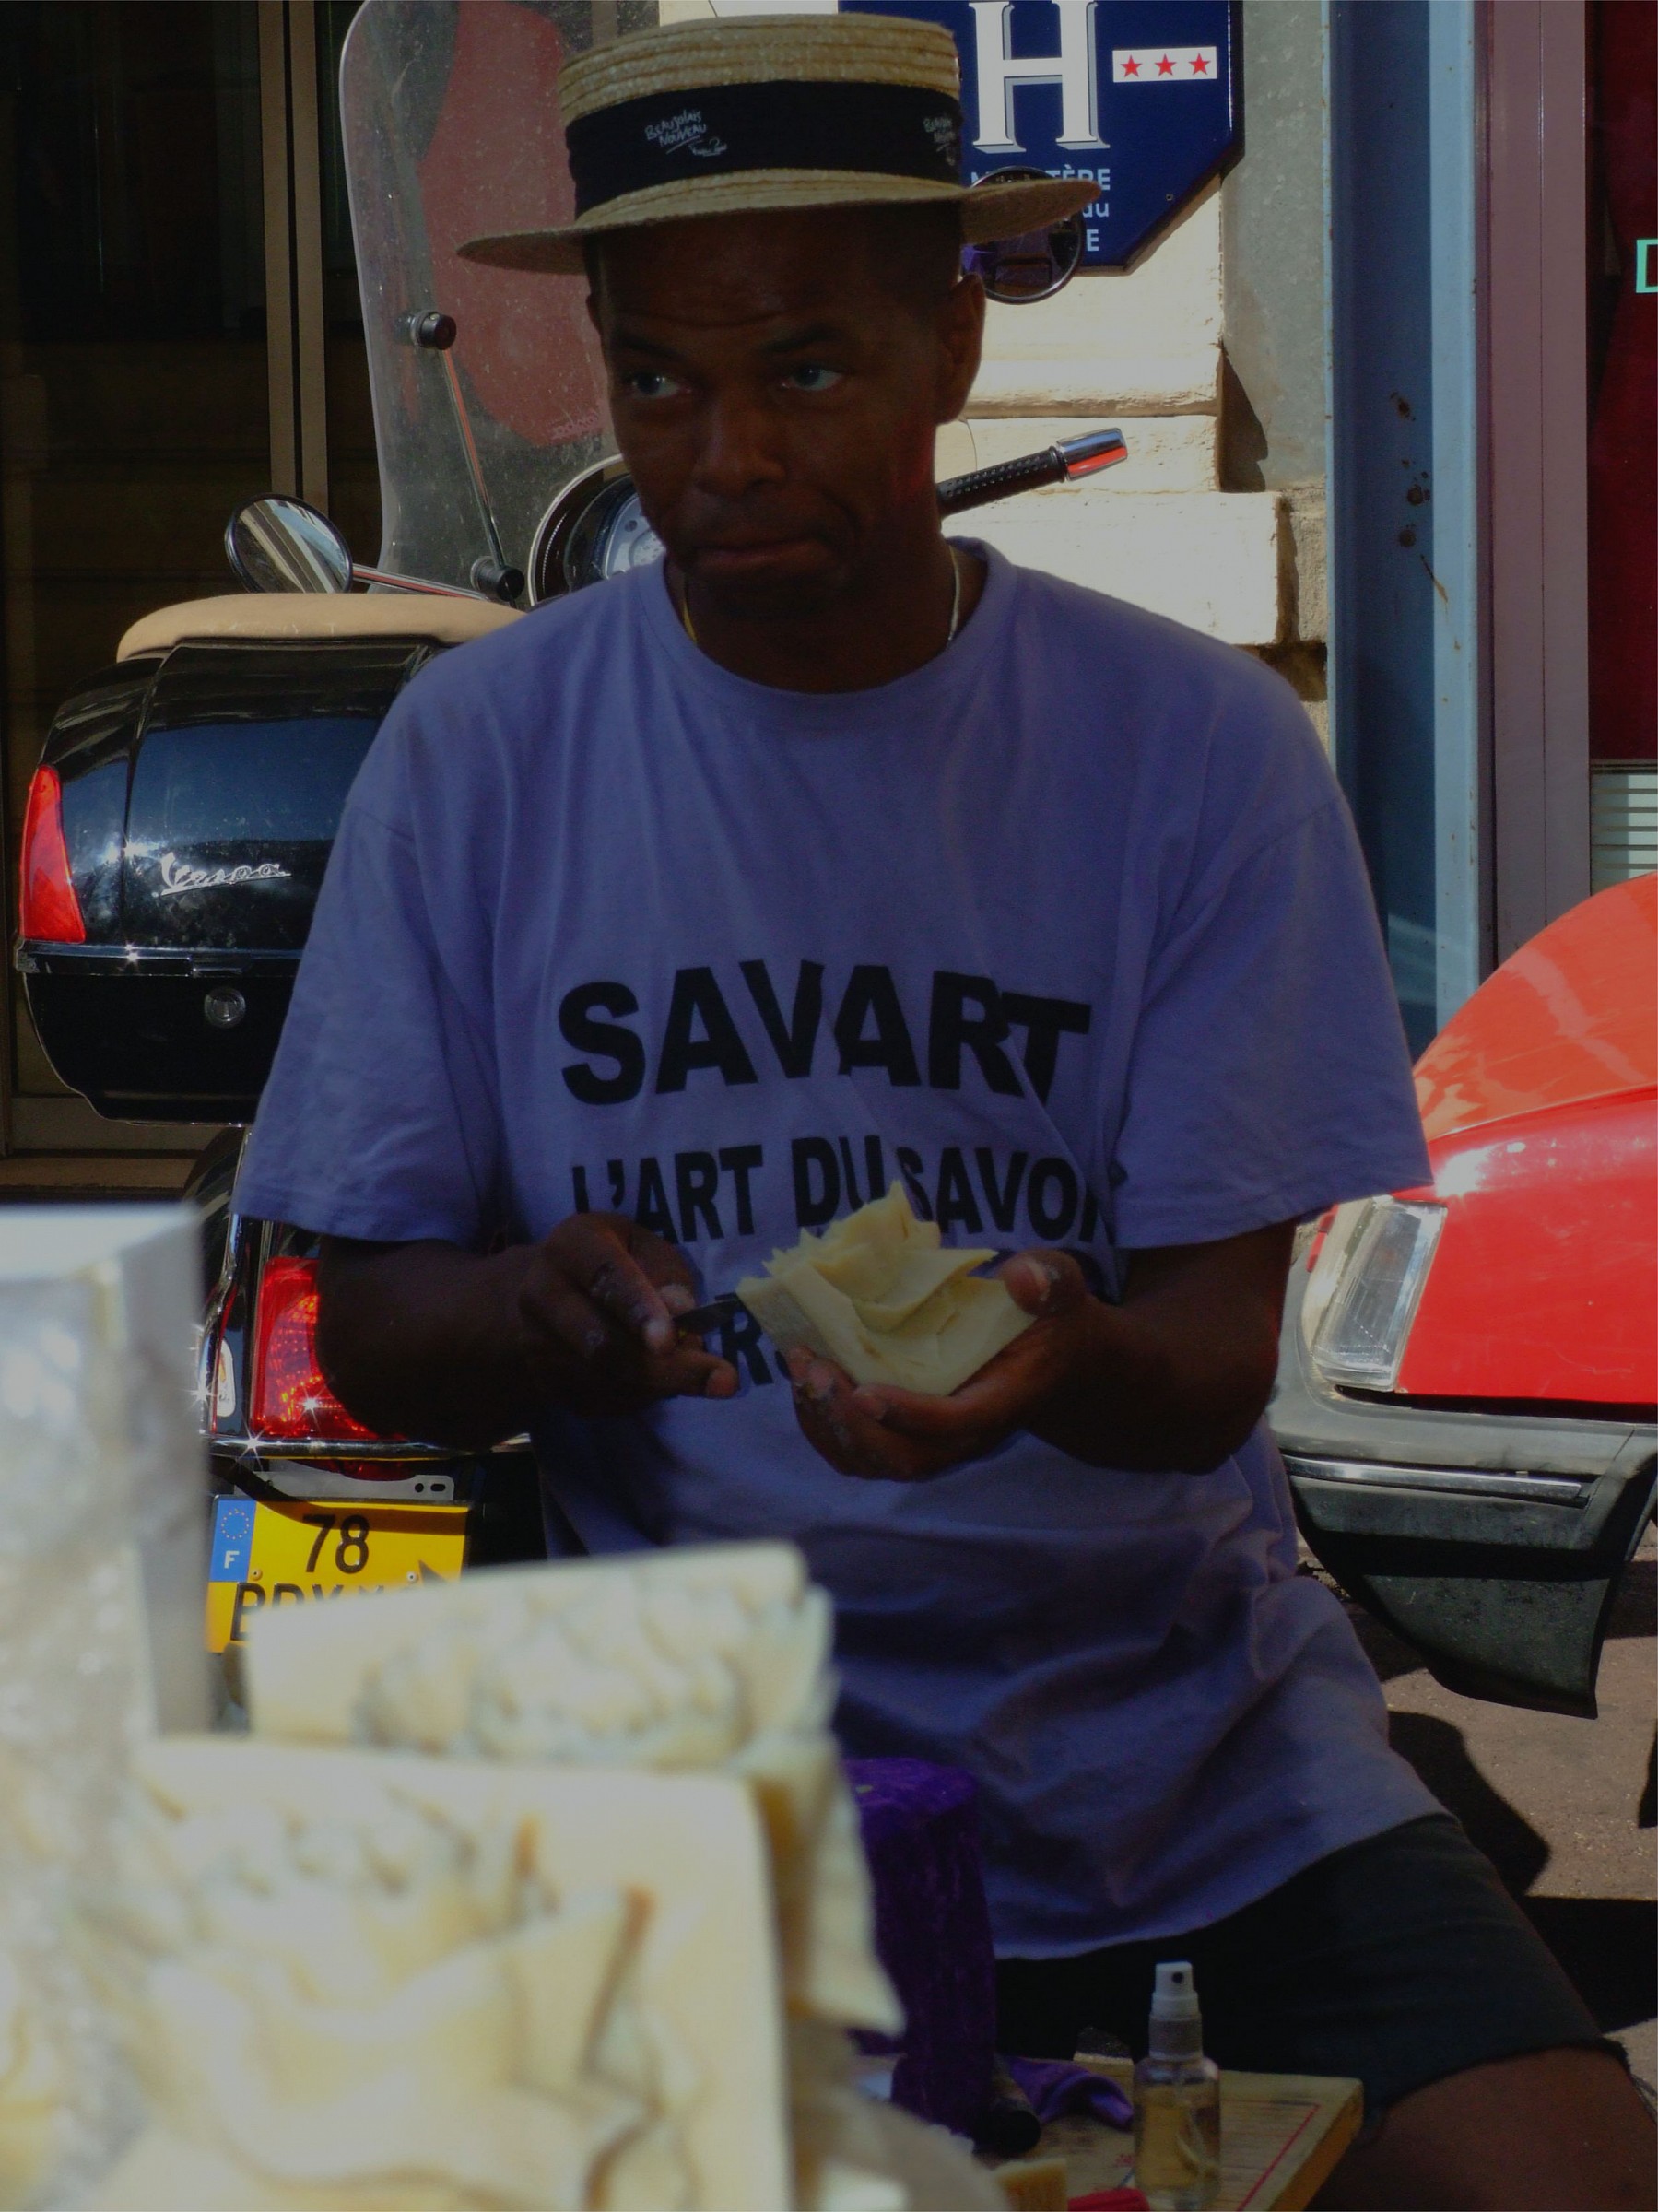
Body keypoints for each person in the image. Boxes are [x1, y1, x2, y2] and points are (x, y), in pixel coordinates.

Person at [235, 16, 1655, 2206]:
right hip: (703, 1768)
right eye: (655, 380)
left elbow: (1201, 1367)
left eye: (805, 368)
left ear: (953, 340)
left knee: (1559, 2174)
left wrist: (1058, 1360)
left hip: (1195, 1766)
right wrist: (543, 1314)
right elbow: (385, 1320)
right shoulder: (481, 759)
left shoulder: (1189, 753)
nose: (722, 455)